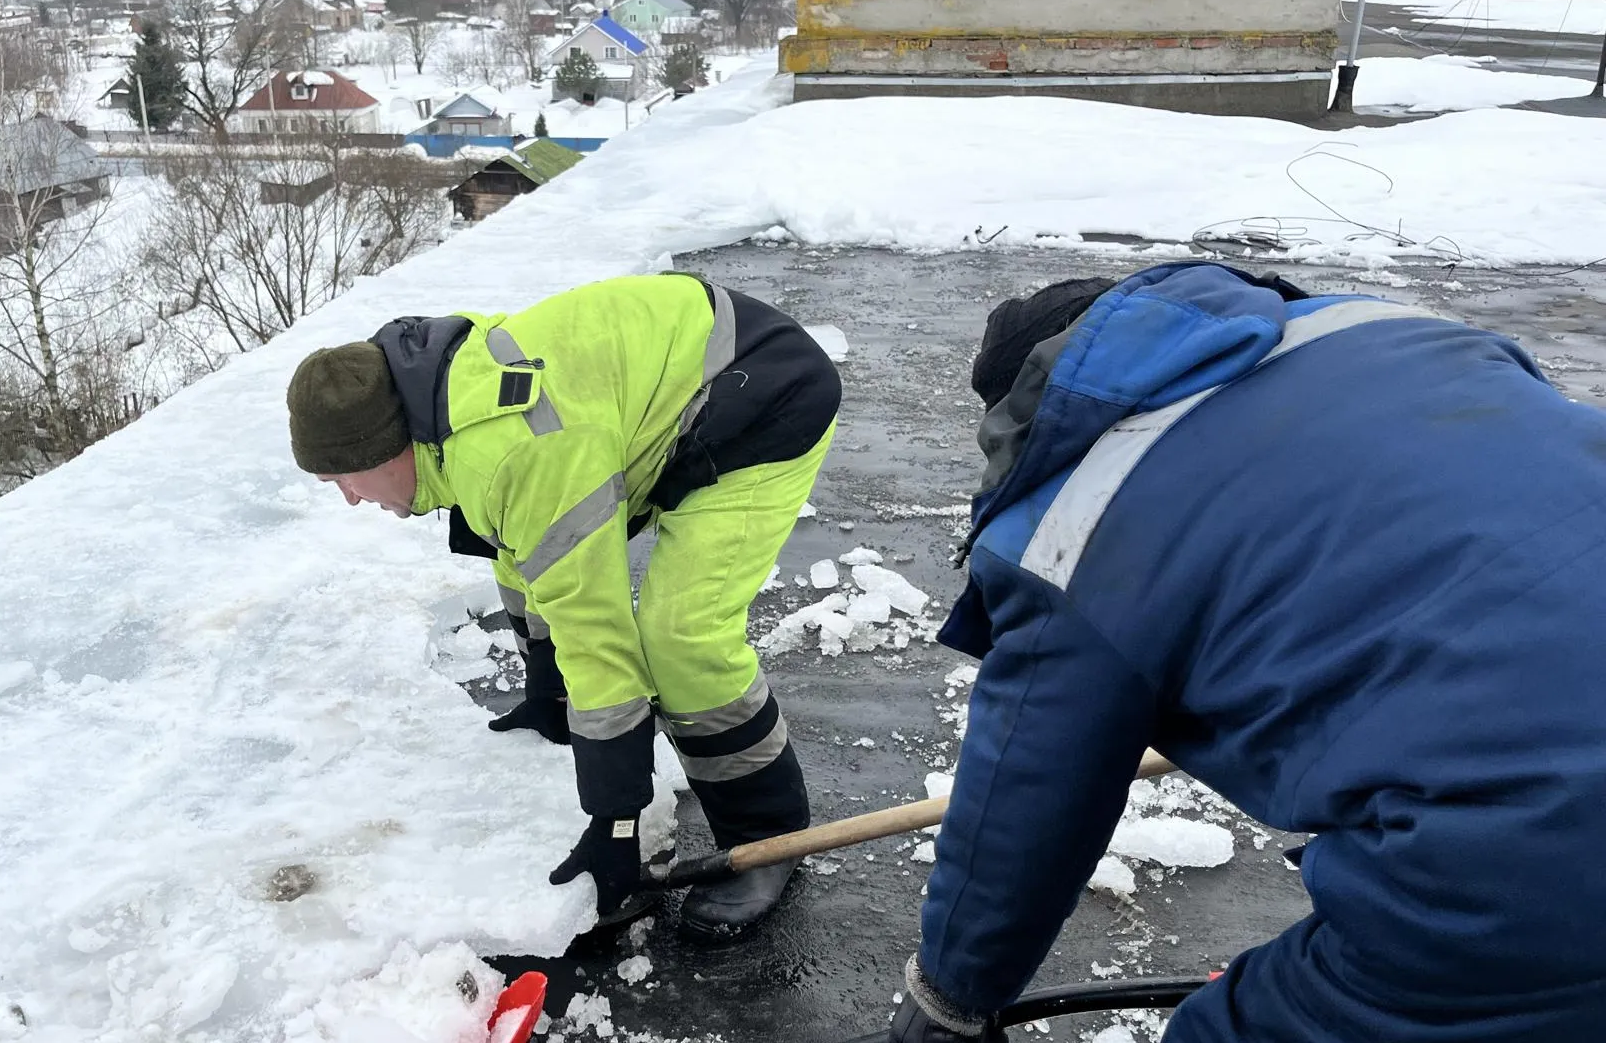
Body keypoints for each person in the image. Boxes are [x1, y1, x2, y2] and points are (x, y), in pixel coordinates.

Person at [890, 262, 1606, 1041]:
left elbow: (1024, 804)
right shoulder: (1403, 334)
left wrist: (949, 1001)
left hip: (1537, 842)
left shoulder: (1074, 527)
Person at [286, 273, 841, 939]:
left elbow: (595, 633)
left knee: (679, 635)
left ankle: (767, 840)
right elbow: (525, 555)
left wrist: (617, 818)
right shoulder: (440, 416)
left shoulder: (512, 449)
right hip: (672, 380)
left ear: (382, 450)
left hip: (762, 393)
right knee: (561, 563)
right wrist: (549, 687)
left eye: (342, 478)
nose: (348, 498)